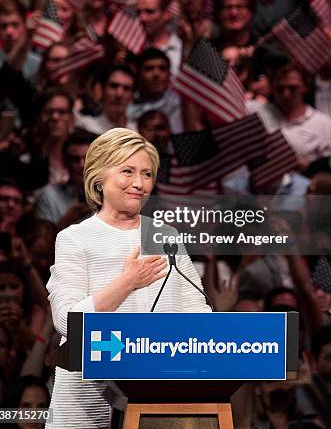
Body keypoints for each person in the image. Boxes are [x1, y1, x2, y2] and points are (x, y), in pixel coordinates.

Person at [46, 127, 210, 428]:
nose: (139, 184)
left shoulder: (165, 236)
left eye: (147, 174)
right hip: (87, 406)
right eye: (128, 171)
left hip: (158, 398)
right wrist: (127, 282)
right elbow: (67, 321)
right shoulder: (74, 238)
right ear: (99, 176)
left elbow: (198, 312)